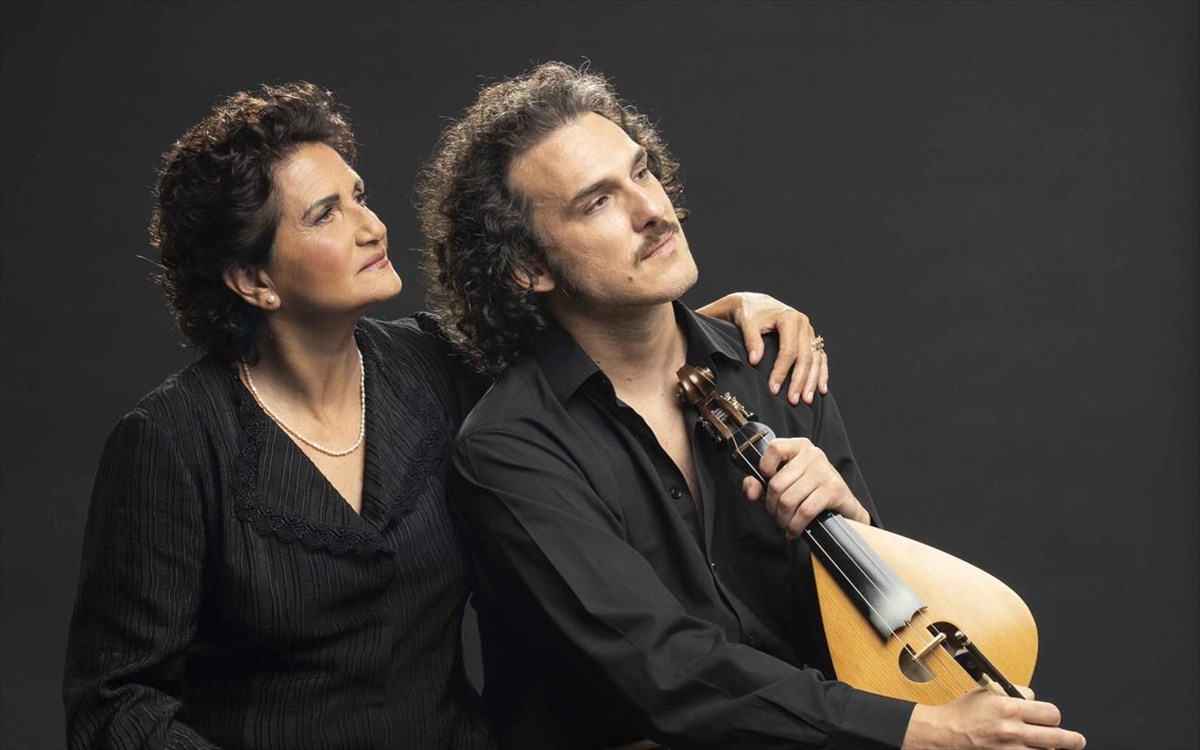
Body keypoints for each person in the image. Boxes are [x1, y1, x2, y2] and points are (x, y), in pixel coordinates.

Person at [62, 81, 828, 749]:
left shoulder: (438, 367)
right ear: (252, 280)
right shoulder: (172, 441)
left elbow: (599, 328)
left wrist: (730, 317)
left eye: (359, 195)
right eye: (325, 215)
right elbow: (116, 704)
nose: (371, 225)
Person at [420, 62, 1088, 750]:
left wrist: (853, 530)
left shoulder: (773, 364)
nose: (651, 211)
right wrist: (925, 731)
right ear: (528, 267)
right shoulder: (511, 448)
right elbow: (662, 670)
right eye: (597, 202)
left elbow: (878, 638)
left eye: (642, 172)